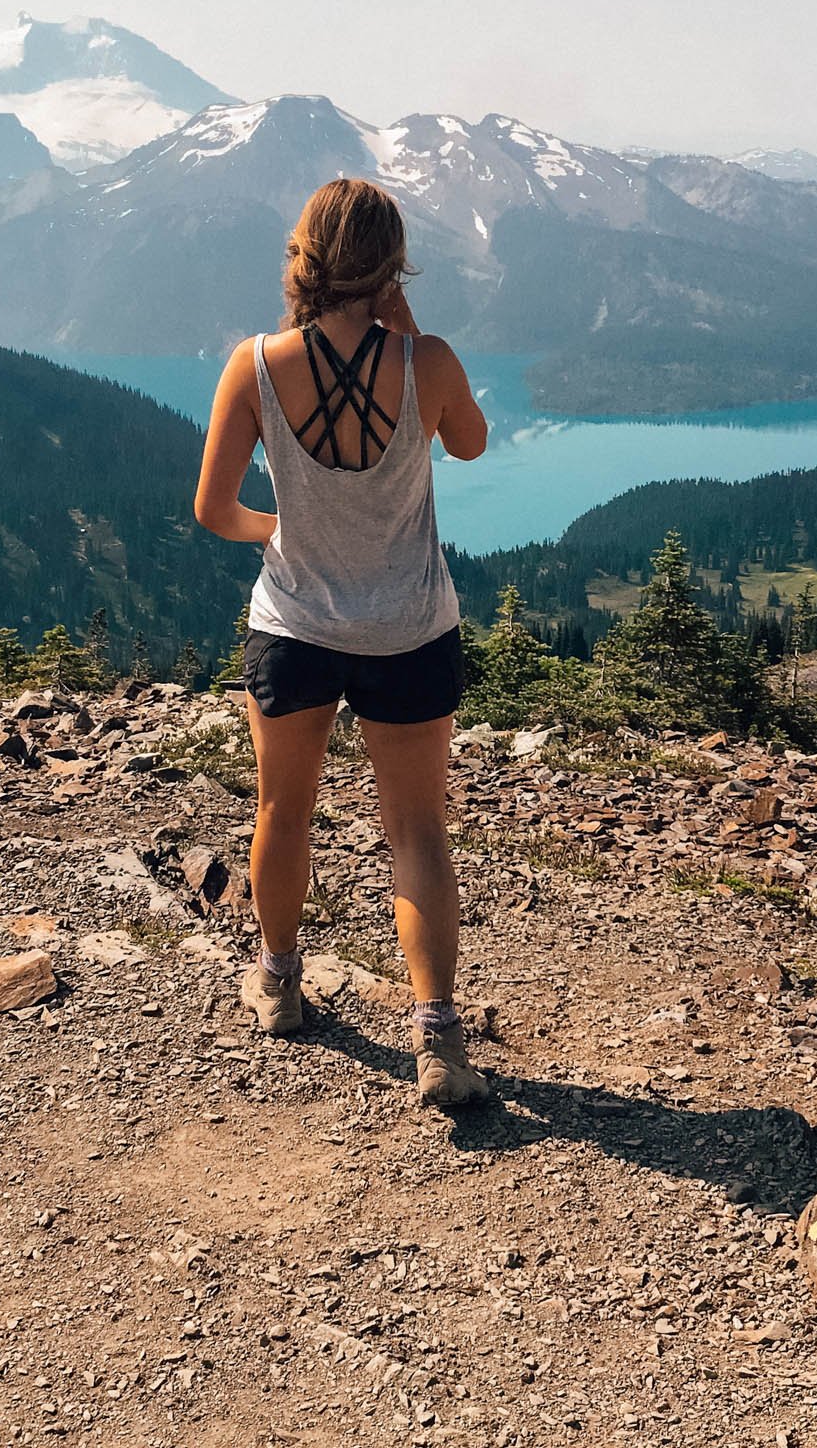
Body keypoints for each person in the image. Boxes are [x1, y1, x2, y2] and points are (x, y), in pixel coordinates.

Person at [193, 177, 491, 1107]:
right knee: (416, 830)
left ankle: (278, 984)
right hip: (408, 631)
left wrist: (276, 532)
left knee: (284, 810)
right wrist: (404, 330)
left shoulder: (254, 364)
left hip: (296, 627)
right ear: (393, 263)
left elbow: (213, 510)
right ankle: (438, 1041)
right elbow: (472, 444)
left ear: (307, 257)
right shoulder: (426, 360)